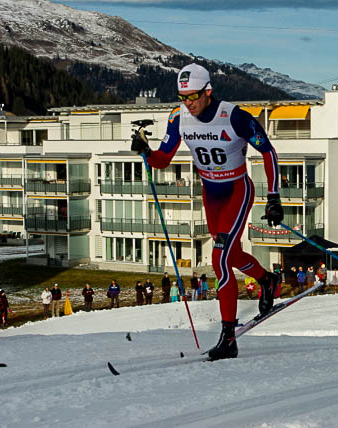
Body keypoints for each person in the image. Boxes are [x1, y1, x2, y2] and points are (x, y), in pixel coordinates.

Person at [131, 63, 282, 361]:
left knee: (218, 258)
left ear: (208, 91)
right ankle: (267, 280)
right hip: (210, 195)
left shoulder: (234, 116)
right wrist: (146, 151)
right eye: (183, 96)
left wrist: (274, 196)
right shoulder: (178, 118)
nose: (188, 102)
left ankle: (228, 337)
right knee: (231, 255)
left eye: (194, 96)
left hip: (237, 190)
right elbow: (163, 160)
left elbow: (268, 151)